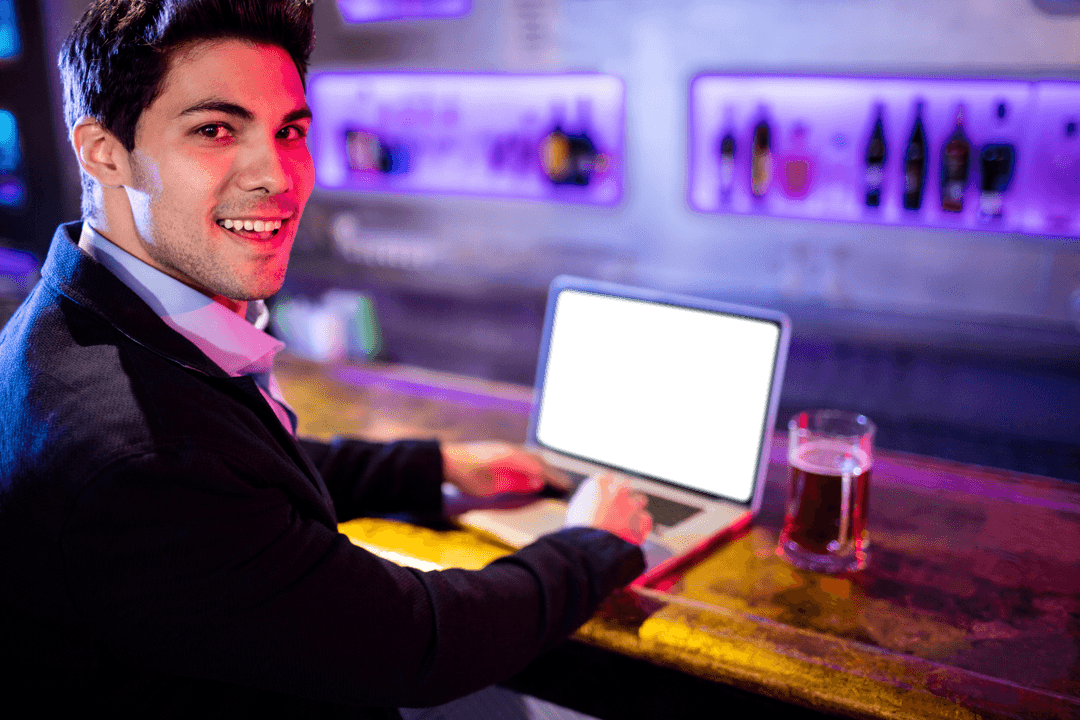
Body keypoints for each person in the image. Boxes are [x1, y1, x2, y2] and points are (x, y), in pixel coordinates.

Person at [0, 0, 653, 717]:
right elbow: (417, 642)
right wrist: (592, 545)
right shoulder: (137, 456)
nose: (278, 176)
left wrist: (432, 469)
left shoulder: (81, 320)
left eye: (289, 131)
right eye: (215, 130)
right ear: (103, 151)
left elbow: (240, 467)